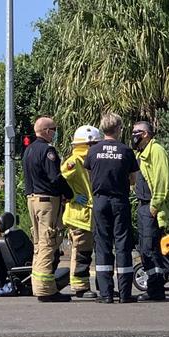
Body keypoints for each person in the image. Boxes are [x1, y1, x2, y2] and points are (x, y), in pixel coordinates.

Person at [84, 113, 139, 304]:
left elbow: (90, 174)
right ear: (118, 129)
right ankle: (125, 293)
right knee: (123, 244)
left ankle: (106, 294)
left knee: (103, 245)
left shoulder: (93, 151)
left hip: (100, 201)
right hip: (119, 200)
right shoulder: (125, 151)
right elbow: (133, 179)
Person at [23, 116, 74, 302]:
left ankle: (38, 285)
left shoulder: (28, 150)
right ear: (45, 131)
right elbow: (55, 177)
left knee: (39, 244)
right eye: (53, 129)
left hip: (33, 200)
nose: (55, 132)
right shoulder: (48, 151)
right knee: (48, 242)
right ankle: (45, 290)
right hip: (46, 202)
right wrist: (69, 193)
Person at [131, 121, 169, 302]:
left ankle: (156, 290)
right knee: (146, 249)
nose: (133, 135)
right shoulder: (142, 153)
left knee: (150, 248)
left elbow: (162, 179)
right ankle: (154, 287)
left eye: (137, 132)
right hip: (143, 205)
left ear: (146, 134)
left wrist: (155, 205)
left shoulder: (156, 150)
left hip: (152, 206)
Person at [61, 125, 103, 299]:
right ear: (90, 144)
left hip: (88, 214)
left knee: (85, 251)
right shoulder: (75, 161)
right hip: (80, 214)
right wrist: (72, 197)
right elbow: (60, 180)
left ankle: (89, 285)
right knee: (81, 252)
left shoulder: (88, 159)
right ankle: (80, 287)